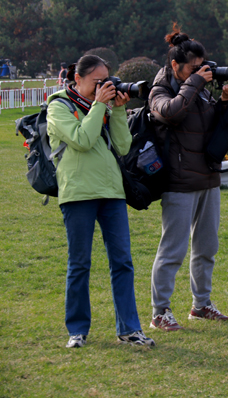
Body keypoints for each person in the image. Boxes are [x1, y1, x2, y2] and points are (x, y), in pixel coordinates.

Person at [46, 55, 155, 348]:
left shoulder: (103, 107)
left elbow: (123, 146)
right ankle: (77, 330)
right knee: (79, 263)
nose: (103, 86)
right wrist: (99, 105)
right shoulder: (58, 106)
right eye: (97, 82)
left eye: (106, 80)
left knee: (123, 262)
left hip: (112, 192)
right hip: (78, 192)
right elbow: (81, 139)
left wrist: (117, 110)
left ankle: (129, 329)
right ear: (77, 79)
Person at [148, 26, 228, 331]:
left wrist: (225, 101)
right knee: (173, 249)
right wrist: (196, 82)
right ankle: (160, 311)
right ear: (175, 65)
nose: (199, 73)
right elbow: (171, 113)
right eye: (192, 68)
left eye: (202, 67)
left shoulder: (199, 90)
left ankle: (201, 304)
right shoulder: (160, 90)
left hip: (208, 177)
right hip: (179, 182)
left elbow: (213, 127)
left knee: (207, 247)